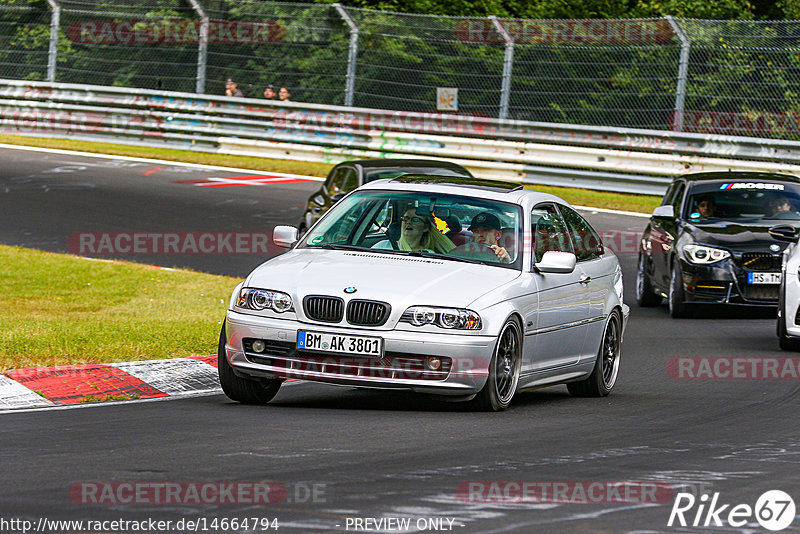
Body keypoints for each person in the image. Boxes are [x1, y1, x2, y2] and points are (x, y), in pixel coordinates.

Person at [373, 207, 455, 254]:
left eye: (415, 220)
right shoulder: (382, 246)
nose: (408, 222)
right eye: (406, 219)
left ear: (425, 228)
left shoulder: (428, 254)